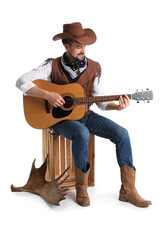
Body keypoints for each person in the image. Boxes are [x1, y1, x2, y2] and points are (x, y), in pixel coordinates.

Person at [16, 22, 151, 207]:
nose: (83, 50)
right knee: (81, 133)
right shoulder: (51, 65)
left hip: (86, 115)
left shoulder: (94, 67)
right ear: (66, 46)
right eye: (78, 46)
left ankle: (128, 190)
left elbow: (101, 103)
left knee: (122, 134)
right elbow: (21, 81)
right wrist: (47, 95)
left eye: (84, 46)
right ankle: (82, 188)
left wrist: (117, 107)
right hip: (60, 119)